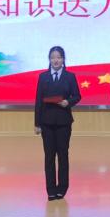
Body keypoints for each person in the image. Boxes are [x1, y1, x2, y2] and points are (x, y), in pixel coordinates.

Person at [33, 46, 82, 201]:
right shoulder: (43, 77)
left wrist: (68, 102)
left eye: (59, 57)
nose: (56, 60)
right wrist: (37, 123)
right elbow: (38, 101)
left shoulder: (70, 76)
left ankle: (62, 188)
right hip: (46, 122)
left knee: (62, 155)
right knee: (49, 157)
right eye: (53, 57)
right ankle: (51, 190)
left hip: (63, 122)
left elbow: (77, 96)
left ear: (63, 59)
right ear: (49, 59)